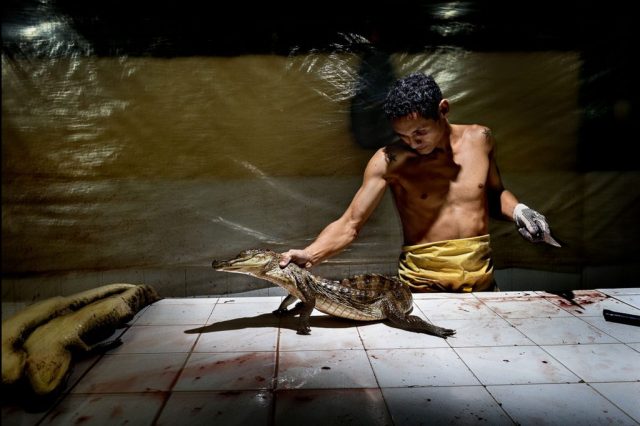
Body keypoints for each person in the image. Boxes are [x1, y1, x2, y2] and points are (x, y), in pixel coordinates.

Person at [280, 72, 556, 292]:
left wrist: (521, 211)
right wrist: (311, 254)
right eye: (404, 136)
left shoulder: (480, 139)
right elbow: (350, 223)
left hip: (482, 283)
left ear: (443, 109)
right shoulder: (389, 160)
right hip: (424, 288)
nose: (413, 143)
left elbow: (494, 194)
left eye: (420, 132)